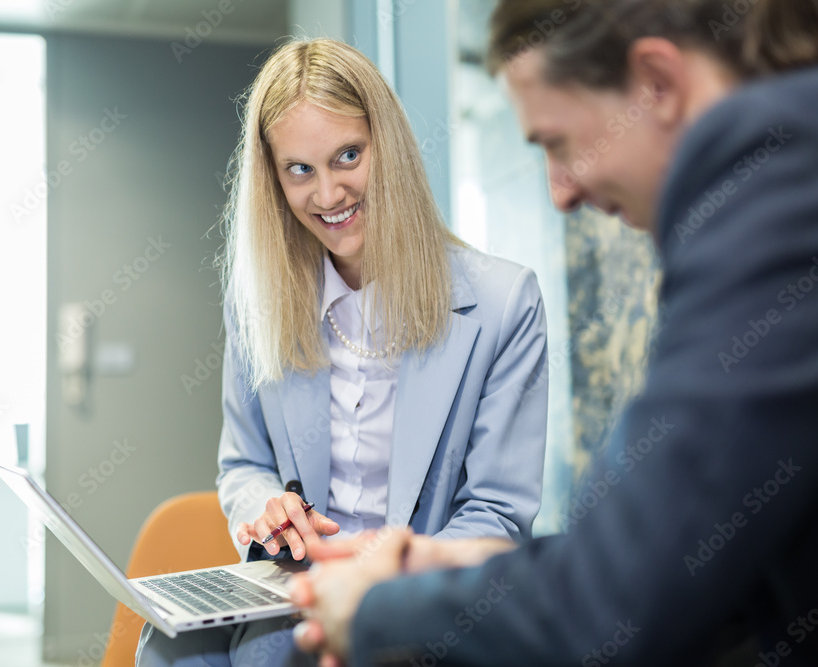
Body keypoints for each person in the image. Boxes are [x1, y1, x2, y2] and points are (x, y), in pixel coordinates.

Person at [292, 1, 818, 665]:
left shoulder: (783, 189)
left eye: (556, 143)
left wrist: (374, 612)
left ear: (657, 82)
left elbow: (613, 606)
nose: (561, 193)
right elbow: (686, 553)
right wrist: (452, 566)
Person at [135, 37, 550, 666]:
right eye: (299, 169)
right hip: (293, 579)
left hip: (416, 588)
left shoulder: (503, 302)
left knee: (272, 656)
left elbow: (495, 515)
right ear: (272, 178)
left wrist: (381, 569)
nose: (327, 194)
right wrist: (264, 510)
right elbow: (243, 466)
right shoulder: (258, 303)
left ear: (390, 148)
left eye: (347, 156)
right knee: (172, 651)